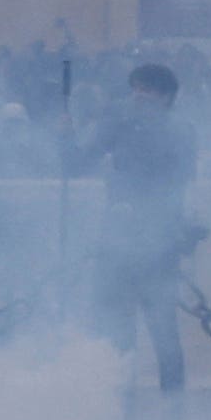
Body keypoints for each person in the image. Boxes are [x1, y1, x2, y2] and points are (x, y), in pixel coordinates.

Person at [79, 62, 199, 398]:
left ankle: (174, 407)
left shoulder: (180, 130)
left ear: (165, 96)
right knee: (118, 332)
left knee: (164, 333)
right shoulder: (118, 124)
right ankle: (121, 402)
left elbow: (181, 183)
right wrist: (68, 133)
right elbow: (79, 160)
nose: (139, 95)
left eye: (148, 89)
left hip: (159, 245)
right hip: (117, 241)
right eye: (136, 87)